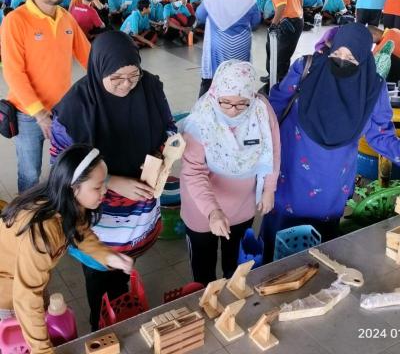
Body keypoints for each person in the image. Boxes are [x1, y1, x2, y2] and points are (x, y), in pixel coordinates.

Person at [51, 31, 176, 331]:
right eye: (116, 78)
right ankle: (103, 329)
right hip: (98, 215)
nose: (126, 85)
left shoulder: (149, 88)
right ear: (98, 70)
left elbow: (169, 129)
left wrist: (165, 160)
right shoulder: (74, 109)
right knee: (100, 276)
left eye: (133, 74)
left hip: (138, 210)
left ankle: (120, 313)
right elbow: (61, 168)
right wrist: (112, 181)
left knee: (122, 269)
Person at [260, 22, 400, 263]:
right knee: (279, 232)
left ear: (365, 58)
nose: (342, 60)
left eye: (352, 57)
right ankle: (266, 272)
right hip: (291, 171)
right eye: (337, 53)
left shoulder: (372, 89)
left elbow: (380, 135)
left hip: (331, 181)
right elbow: (274, 107)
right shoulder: (307, 68)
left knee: (321, 244)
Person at [0, 144, 133, 353]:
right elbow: (26, 297)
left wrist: (108, 256)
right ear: (73, 188)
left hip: (25, 280)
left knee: (36, 322)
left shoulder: (66, 201)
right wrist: (42, 350)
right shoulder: (41, 232)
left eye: (104, 184)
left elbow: (79, 232)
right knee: (18, 340)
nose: (105, 192)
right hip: (6, 293)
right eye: (98, 187)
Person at [180, 60, 280, 285]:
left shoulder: (261, 111)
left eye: (241, 103)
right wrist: (212, 211)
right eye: (225, 102)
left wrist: (269, 189)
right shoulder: (202, 120)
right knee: (203, 271)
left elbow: (273, 151)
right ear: (215, 93)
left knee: (234, 268)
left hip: (242, 206)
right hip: (202, 210)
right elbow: (193, 173)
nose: (233, 111)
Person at [1, 0, 90, 193]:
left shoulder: (66, 18)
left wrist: (114, 77)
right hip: (27, 114)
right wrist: (40, 114)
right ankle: (27, 220)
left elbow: (90, 58)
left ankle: (58, 214)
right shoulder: (15, 21)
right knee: (30, 173)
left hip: (62, 111)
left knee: (64, 169)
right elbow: (13, 71)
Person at [196, 0, 260, 97]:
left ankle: (207, 106)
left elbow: (200, 16)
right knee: (239, 75)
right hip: (241, 45)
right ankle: (238, 102)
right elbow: (255, 22)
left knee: (215, 77)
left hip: (218, 45)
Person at [255, 0, 304, 86]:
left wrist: (274, 24)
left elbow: (281, 6)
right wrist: (298, 9)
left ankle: (276, 86)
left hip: (289, 23)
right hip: (296, 20)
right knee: (273, 48)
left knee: (280, 56)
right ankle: (272, 75)